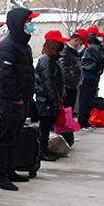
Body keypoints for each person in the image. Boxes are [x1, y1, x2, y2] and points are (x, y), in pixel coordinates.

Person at [0, 7, 38, 191]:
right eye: (28, 21)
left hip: (22, 101)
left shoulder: (23, 45)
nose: (31, 25)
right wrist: (17, 97)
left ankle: (9, 169)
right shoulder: (8, 46)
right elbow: (5, 76)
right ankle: (0, 175)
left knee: (14, 138)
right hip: (10, 101)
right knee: (5, 139)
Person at [35, 30, 67, 162]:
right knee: (44, 127)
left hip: (50, 99)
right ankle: (41, 151)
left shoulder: (52, 60)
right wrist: (54, 100)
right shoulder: (46, 61)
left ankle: (44, 149)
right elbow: (48, 83)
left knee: (47, 127)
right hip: (46, 100)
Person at [77, 27, 104, 128]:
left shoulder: (90, 48)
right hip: (92, 76)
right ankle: (85, 120)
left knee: (85, 100)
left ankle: (83, 121)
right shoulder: (98, 48)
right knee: (88, 99)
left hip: (88, 76)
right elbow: (101, 59)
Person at [59, 31, 84, 145]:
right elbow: (63, 69)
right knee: (65, 111)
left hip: (72, 86)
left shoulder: (73, 52)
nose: (80, 45)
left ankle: (67, 135)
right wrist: (71, 79)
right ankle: (64, 135)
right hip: (67, 86)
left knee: (69, 111)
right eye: (80, 42)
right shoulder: (66, 52)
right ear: (75, 40)